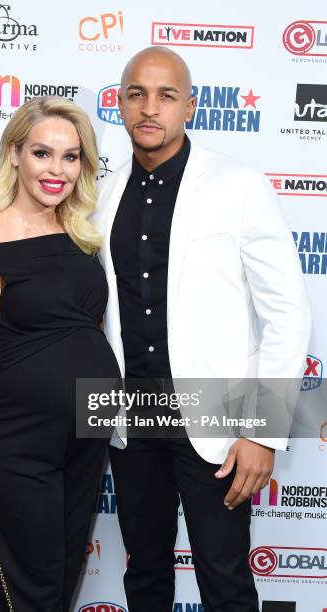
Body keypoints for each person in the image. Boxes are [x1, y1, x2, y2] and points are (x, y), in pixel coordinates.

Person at [93, 47, 311, 612]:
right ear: (118, 103)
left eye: (167, 95)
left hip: (217, 411)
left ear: (190, 105)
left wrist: (263, 430)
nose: (150, 108)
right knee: (144, 576)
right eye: (136, 93)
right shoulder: (99, 196)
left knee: (226, 579)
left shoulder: (238, 186)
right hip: (129, 414)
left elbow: (287, 311)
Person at [0, 96, 121, 612]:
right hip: (20, 444)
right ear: (15, 154)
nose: (57, 170)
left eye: (71, 157)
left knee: (61, 578)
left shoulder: (79, 235)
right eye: (43, 153)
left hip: (85, 437)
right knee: (24, 586)